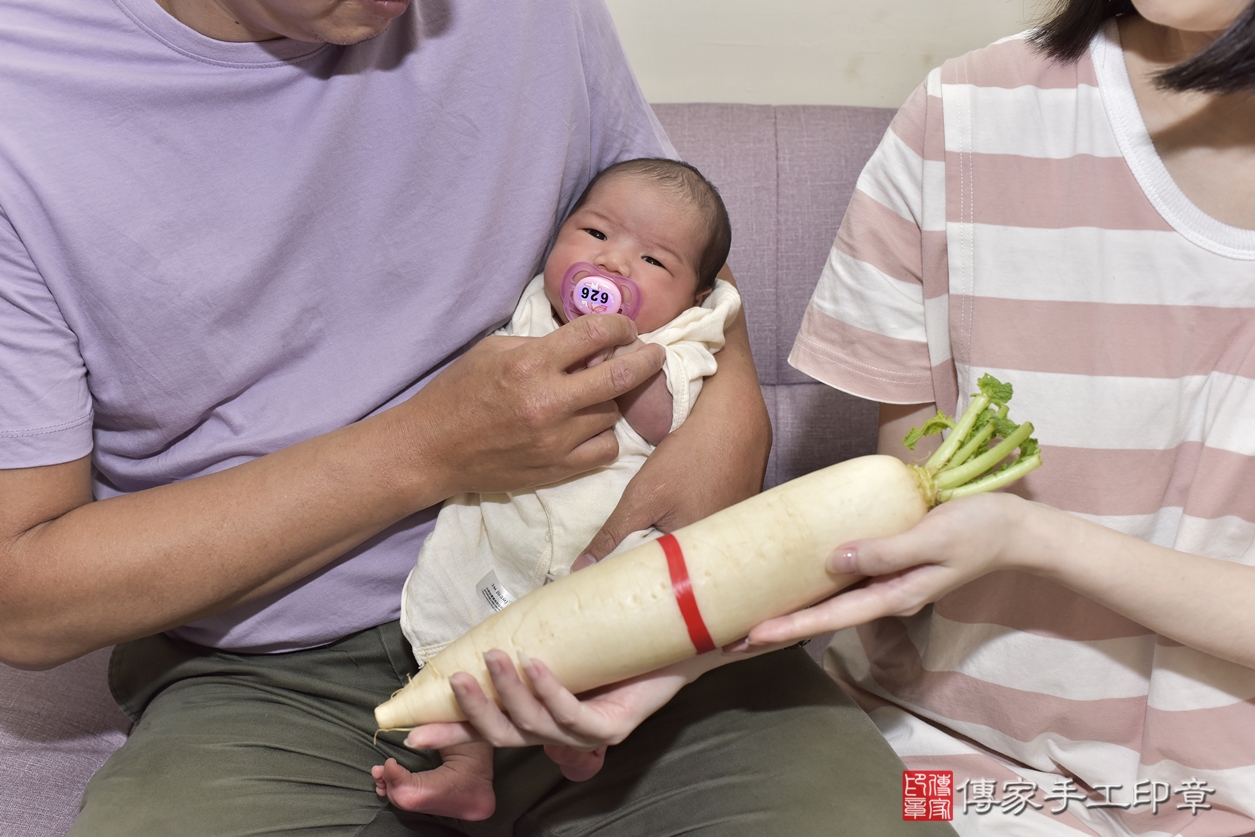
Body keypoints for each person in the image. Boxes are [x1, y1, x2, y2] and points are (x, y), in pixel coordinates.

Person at [0, 1, 942, 834]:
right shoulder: (26, 97)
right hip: (274, 676)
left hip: (614, 613)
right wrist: (425, 451)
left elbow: (668, 240)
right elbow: (25, 602)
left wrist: (732, 415)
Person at [406, 1, 1255, 835]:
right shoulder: (961, 114)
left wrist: (1038, 538)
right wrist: (676, 652)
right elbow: (883, 525)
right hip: (951, 769)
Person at [373, 157, 741, 819]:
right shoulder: (530, 306)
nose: (616, 263)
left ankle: (581, 744)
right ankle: (464, 769)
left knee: (607, 648)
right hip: (499, 533)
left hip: (596, 549)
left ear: (693, 295)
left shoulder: (682, 338)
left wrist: (622, 361)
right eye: (596, 234)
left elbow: (664, 418)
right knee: (458, 646)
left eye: (654, 262)